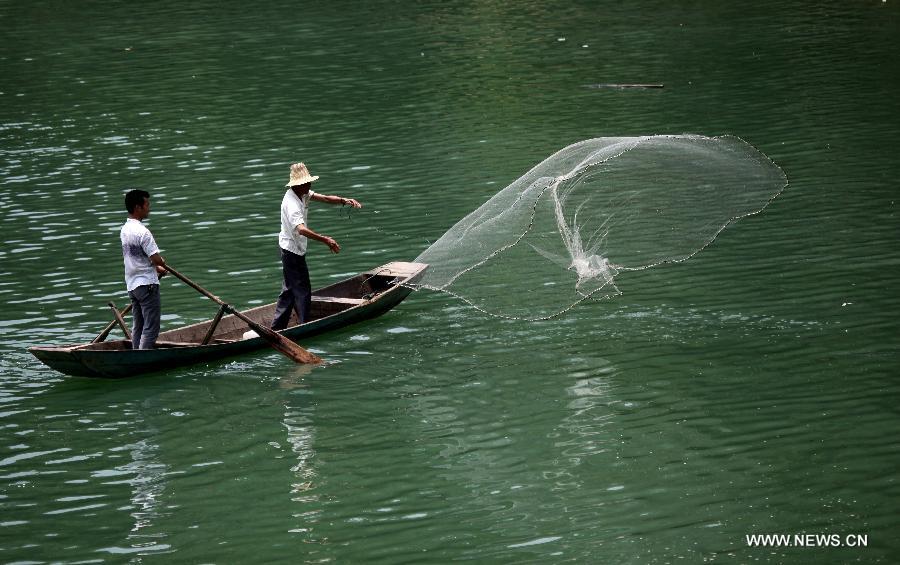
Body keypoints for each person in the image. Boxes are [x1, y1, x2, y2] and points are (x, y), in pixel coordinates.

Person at [271, 162, 362, 330]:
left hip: (293, 248)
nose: (310, 184)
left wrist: (344, 200)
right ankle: (305, 326)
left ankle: (277, 328)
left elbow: (325, 198)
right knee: (303, 290)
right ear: (298, 184)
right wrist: (325, 239)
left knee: (289, 291)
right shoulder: (291, 203)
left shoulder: (303, 193)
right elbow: (301, 229)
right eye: (306, 182)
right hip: (291, 250)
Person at [121, 189, 167, 350]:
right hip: (147, 285)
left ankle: (135, 353)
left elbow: (138, 257)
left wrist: (158, 268)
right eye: (147, 204)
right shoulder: (143, 232)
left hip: (132, 285)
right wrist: (161, 263)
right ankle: (142, 357)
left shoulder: (125, 230)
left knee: (138, 325)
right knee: (151, 327)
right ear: (137, 207)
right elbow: (155, 259)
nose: (149, 208)